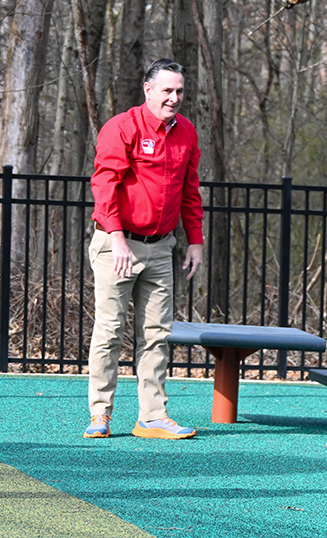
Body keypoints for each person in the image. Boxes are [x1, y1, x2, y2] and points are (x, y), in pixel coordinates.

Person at [84, 59, 204, 440]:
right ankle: (100, 414)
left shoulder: (186, 132)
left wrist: (195, 241)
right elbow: (105, 186)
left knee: (156, 333)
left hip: (161, 248)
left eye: (180, 91)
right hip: (117, 244)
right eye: (167, 90)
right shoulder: (122, 127)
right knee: (109, 331)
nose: (174, 98)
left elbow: (190, 191)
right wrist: (117, 237)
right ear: (148, 89)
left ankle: (152, 417)